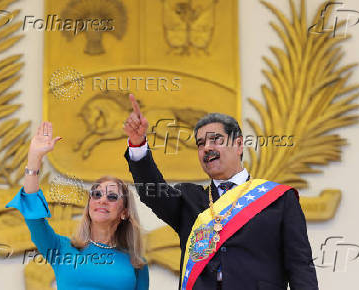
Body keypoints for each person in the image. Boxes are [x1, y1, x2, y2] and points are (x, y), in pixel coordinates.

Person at [123, 94, 318, 290]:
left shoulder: (279, 199)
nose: (207, 148)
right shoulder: (189, 198)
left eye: (216, 140)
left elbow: (300, 265)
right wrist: (138, 144)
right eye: (200, 144)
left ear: (239, 145)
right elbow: (152, 192)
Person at [6, 121, 149, 290]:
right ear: (89, 206)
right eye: (96, 194)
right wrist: (34, 158)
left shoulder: (136, 262)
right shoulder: (60, 248)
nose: (102, 200)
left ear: (124, 212)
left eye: (111, 196)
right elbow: (33, 215)